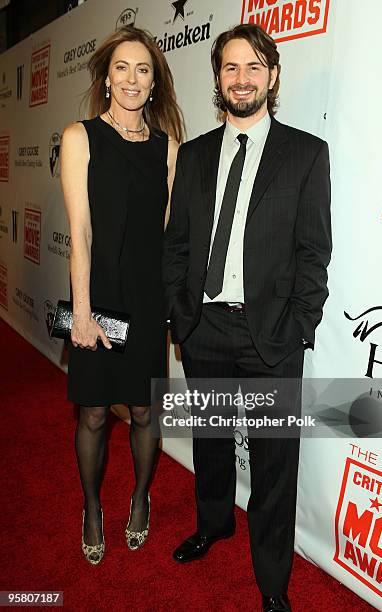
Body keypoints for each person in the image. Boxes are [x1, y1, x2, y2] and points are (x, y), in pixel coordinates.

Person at [163, 23, 331, 612]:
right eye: (231, 67)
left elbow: (314, 253)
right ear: (218, 78)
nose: (242, 78)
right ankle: (213, 522)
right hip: (203, 325)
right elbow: (177, 244)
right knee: (209, 441)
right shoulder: (194, 155)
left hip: (272, 336)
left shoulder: (307, 153)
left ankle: (273, 581)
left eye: (254, 67)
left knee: (274, 461)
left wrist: (296, 327)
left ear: (273, 76)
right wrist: (182, 317)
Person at [61, 25, 183, 565]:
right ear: (106, 77)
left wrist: (171, 308)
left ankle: (138, 497)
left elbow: (165, 235)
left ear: (154, 83)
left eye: (143, 70)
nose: (132, 79)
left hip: (147, 297)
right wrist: (82, 314)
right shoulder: (80, 137)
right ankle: (92, 507)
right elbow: (80, 233)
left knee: (142, 411)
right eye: (121, 68)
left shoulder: (169, 149)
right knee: (91, 413)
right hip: (99, 297)